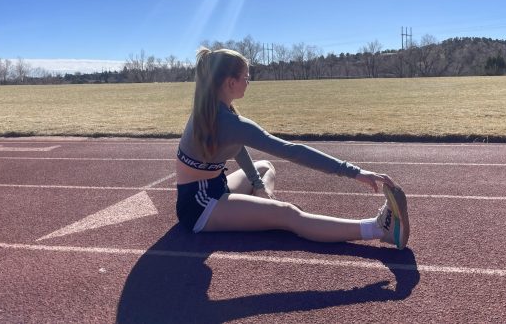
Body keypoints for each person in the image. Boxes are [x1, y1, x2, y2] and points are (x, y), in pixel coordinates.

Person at [175, 47, 410, 248]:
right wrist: (354, 171)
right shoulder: (226, 121)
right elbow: (292, 151)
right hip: (199, 206)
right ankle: (379, 229)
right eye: (247, 77)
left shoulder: (210, 109)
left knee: (264, 168)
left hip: (214, 187)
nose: (248, 83)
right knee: (288, 214)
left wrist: (257, 185)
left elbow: (236, 147)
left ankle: (260, 203)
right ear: (231, 82)